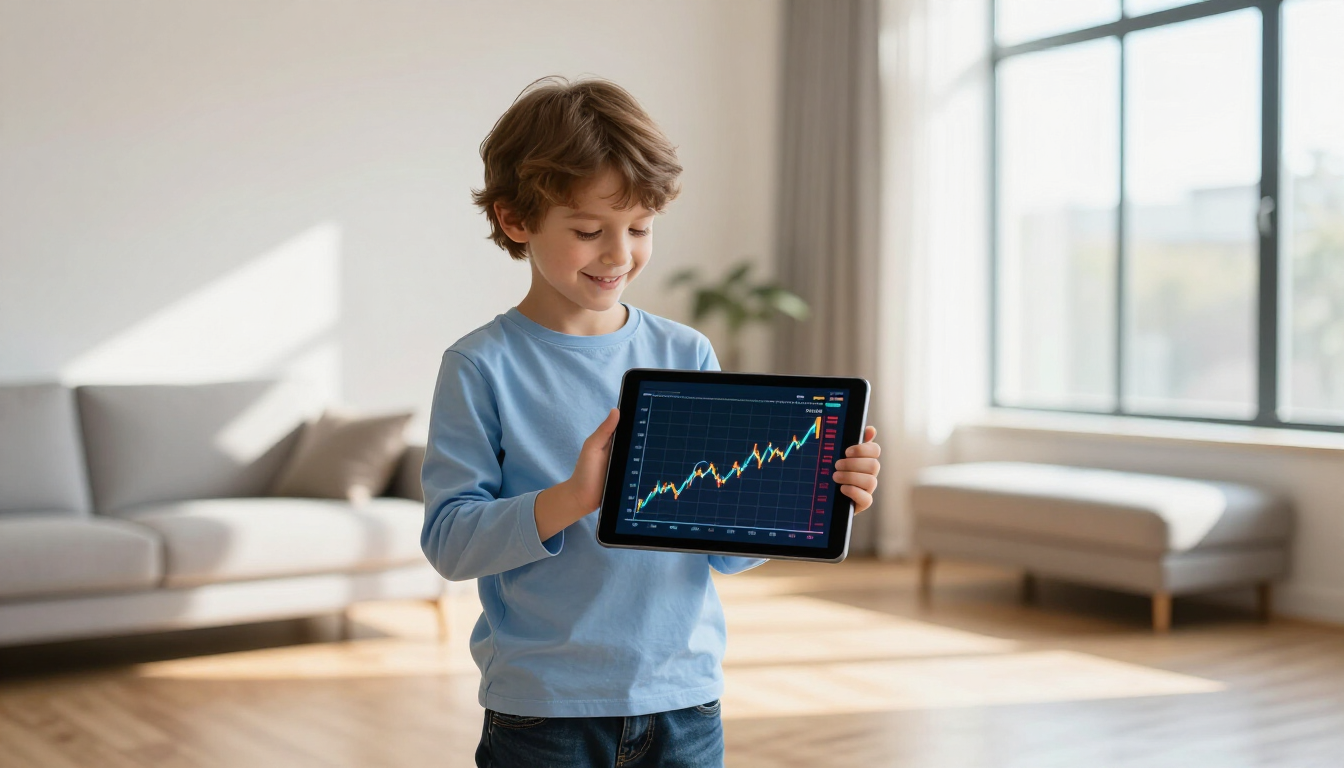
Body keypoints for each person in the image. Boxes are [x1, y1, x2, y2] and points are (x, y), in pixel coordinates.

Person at [420, 75, 883, 768]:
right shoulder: (481, 365)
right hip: (545, 710)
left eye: (639, 228)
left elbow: (724, 549)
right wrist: (572, 499)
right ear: (516, 220)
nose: (619, 254)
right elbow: (451, 544)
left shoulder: (684, 353)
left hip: (683, 699)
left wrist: (807, 496)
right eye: (588, 231)